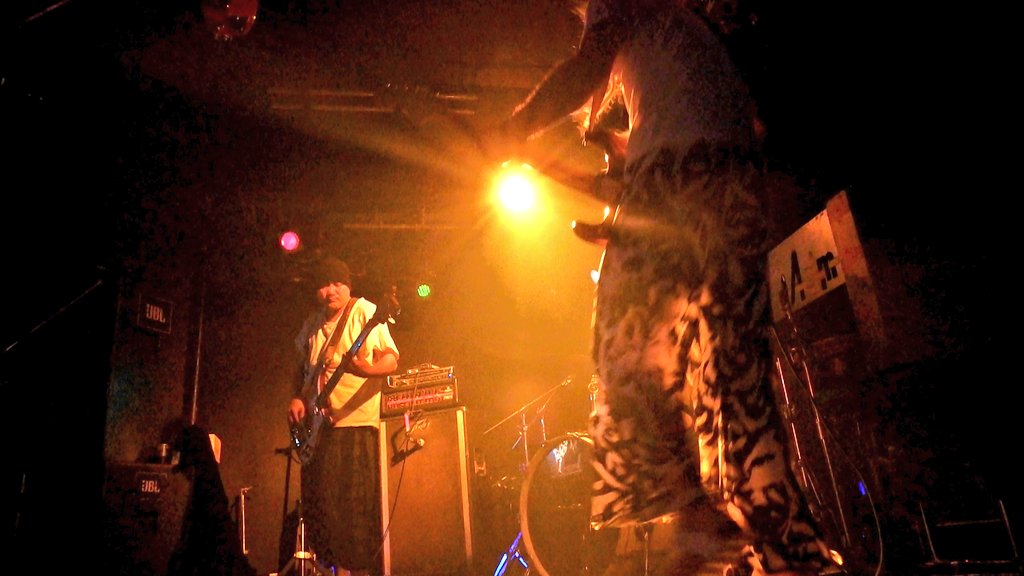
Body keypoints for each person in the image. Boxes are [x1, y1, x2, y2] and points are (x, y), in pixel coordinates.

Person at [479, 1, 837, 575]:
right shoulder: (668, 40)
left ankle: (698, 513)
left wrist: (512, 129)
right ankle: (775, 543)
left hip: (685, 168)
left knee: (629, 341)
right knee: (727, 370)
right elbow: (638, 161)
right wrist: (616, 209)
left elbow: (585, 69)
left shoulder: (619, 7)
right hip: (736, 178)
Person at [287, 256, 400, 576]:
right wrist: (297, 396)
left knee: (353, 508)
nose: (331, 290)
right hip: (320, 429)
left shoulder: (364, 311)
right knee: (323, 508)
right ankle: (332, 569)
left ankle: (356, 570)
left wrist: (367, 369)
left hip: (355, 425)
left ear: (348, 286)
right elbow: (302, 368)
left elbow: (391, 359)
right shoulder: (312, 323)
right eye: (324, 284)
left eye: (337, 283)